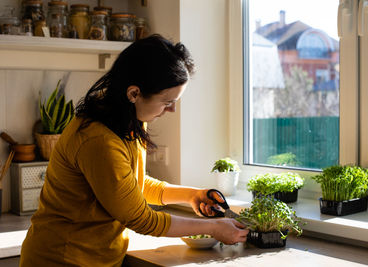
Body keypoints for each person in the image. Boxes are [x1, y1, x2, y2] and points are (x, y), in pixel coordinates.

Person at [19, 34, 249, 267]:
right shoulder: (98, 140)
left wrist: (190, 195)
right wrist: (213, 227)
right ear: (134, 94)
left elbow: (133, 186)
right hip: (61, 259)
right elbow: (140, 218)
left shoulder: (129, 122)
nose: (172, 110)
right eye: (167, 102)